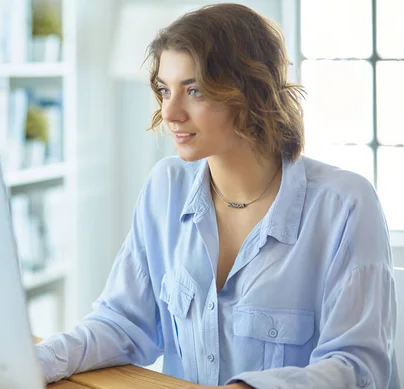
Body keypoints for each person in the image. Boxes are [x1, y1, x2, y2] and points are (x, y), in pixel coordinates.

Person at [35, 3, 399, 388]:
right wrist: (37, 361)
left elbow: (360, 367)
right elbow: (123, 323)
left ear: (250, 91)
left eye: (194, 90)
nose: (170, 112)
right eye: (164, 89)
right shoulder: (165, 187)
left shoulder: (345, 206)